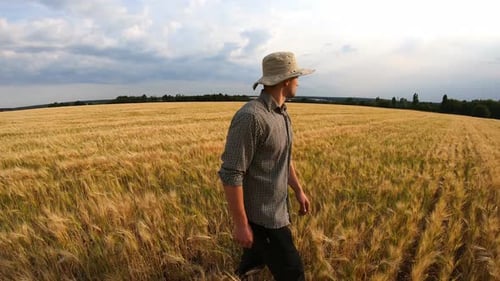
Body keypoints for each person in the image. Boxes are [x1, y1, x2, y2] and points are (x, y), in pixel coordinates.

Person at [218, 51, 314, 281]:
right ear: (286, 80)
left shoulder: (282, 114)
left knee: (252, 264)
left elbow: (283, 158)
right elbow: (231, 173)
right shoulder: (251, 117)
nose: (299, 83)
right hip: (265, 219)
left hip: (277, 208)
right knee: (293, 273)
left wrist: (298, 190)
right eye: (297, 77)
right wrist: (241, 224)